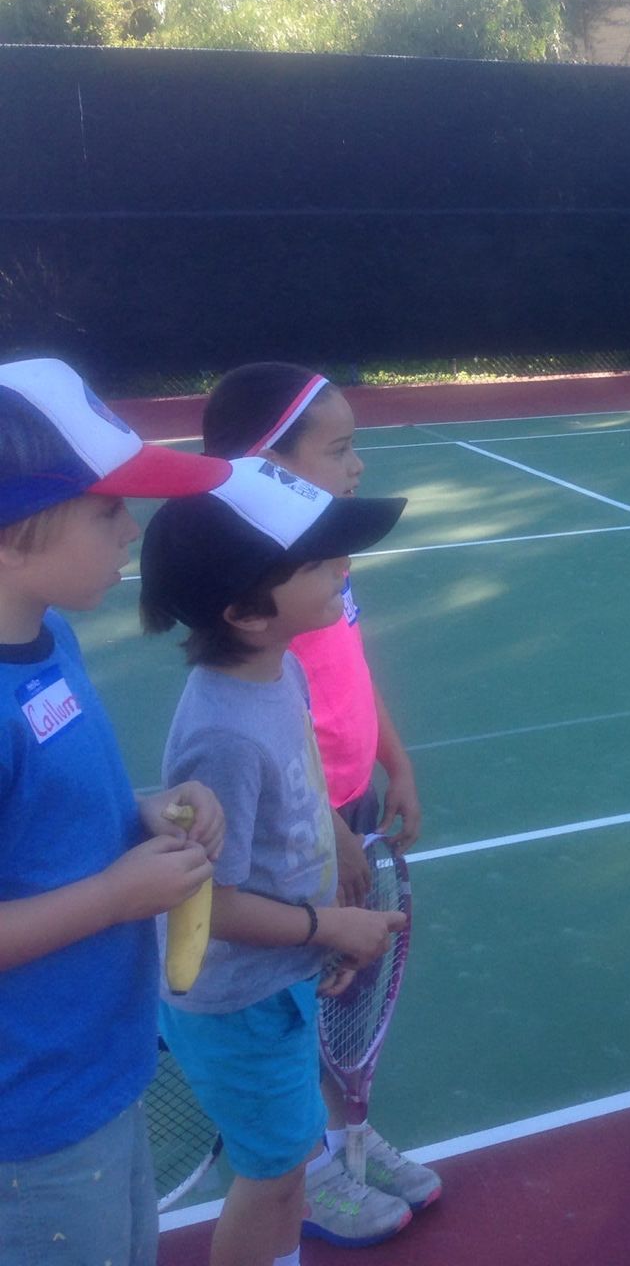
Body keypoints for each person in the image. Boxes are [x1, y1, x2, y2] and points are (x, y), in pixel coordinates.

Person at [140, 460, 413, 1265]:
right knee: (273, 1176)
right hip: (235, 1004)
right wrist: (329, 924)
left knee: (288, 1167)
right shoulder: (220, 736)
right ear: (247, 613)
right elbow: (206, 903)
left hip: (277, 976)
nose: (345, 571)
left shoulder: (279, 667)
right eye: (320, 563)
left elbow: (296, 777)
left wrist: (329, 857)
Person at [0, 357, 230, 1266]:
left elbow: (43, 821)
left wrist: (147, 811)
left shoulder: (47, 637)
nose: (130, 532)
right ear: (14, 533)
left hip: (100, 1073)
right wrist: (113, 898)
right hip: (33, 1122)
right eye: (106, 511)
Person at [200, 364, 441, 1229]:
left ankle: (347, 1135)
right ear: (269, 460)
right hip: (301, 826)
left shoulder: (325, 557)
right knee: (289, 992)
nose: (357, 464)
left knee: (346, 985)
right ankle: (298, 1166)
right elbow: (281, 713)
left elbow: (351, 668)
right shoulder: (257, 575)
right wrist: (334, 830)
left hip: (349, 808)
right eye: (338, 449)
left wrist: (395, 762)